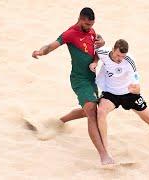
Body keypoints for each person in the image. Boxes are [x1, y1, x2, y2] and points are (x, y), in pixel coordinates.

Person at [31, 7, 114, 165]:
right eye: (87, 24)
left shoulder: (92, 31)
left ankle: (59, 122)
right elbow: (51, 45)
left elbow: (97, 47)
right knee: (91, 112)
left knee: (87, 110)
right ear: (80, 19)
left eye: (92, 25)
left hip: (91, 79)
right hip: (79, 79)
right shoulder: (70, 33)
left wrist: (98, 55)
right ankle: (104, 156)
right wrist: (40, 52)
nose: (90, 28)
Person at [89, 39, 149, 164]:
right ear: (112, 49)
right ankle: (106, 152)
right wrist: (95, 62)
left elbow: (137, 84)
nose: (120, 59)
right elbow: (96, 52)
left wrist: (136, 88)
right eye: (118, 55)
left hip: (129, 94)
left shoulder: (129, 61)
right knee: (101, 112)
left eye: (122, 56)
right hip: (111, 94)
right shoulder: (103, 53)